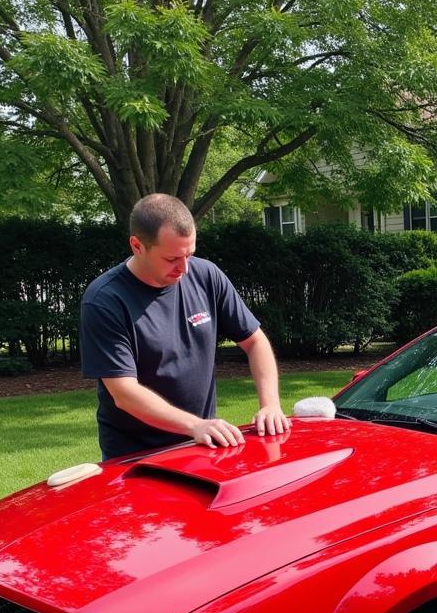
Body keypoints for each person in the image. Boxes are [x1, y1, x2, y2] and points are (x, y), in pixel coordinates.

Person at [80, 193, 290, 460]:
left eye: (190, 254)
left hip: (202, 446)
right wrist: (195, 425)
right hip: (136, 458)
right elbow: (124, 393)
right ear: (137, 245)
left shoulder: (207, 276)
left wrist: (270, 405)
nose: (184, 268)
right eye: (172, 259)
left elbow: (255, 341)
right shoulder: (105, 300)